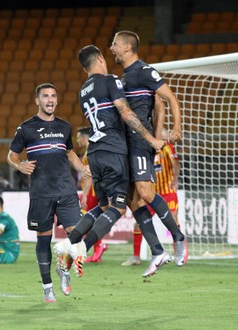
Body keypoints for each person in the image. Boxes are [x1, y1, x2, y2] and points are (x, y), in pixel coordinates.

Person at [53, 45, 165, 279]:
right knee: (118, 206)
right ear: (101, 59)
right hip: (114, 150)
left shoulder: (83, 91)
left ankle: (67, 242)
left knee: (102, 206)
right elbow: (125, 112)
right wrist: (150, 138)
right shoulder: (111, 80)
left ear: (85, 68)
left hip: (94, 153)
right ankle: (82, 248)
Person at [110, 30, 188, 271]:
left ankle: (178, 237)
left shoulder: (145, 71)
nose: (111, 48)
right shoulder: (123, 77)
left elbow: (169, 99)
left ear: (126, 47)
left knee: (145, 192)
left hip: (140, 142)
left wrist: (174, 128)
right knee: (132, 202)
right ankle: (157, 251)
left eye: (114, 44)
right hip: (126, 144)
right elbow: (158, 106)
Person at [7, 83, 90, 303]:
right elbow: (12, 156)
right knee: (43, 240)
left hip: (65, 189)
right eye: (45, 96)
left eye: (53, 95)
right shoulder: (26, 129)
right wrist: (19, 165)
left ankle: (63, 268)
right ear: (37, 100)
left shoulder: (65, 126)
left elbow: (70, 153)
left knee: (76, 236)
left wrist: (83, 169)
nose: (50, 100)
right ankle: (47, 288)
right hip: (41, 192)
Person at [122, 127, 182, 266]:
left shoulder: (167, 148)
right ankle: (136, 256)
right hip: (151, 192)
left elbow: (175, 162)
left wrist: (175, 179)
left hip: (167, 191)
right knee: (139, 223)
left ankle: (179, 253)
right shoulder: (144, 149)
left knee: (173, 219)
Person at [76, 126, 108, 263]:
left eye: (78, 137)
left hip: (93, 192)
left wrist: (84, 196)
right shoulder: (96, 150)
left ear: (84, 138)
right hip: (99, 191)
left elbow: (89, 177)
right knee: (94, 221)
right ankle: (97, 251)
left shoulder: (89, 153)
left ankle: (100, 246)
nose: (77, 141)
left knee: (88, 221)